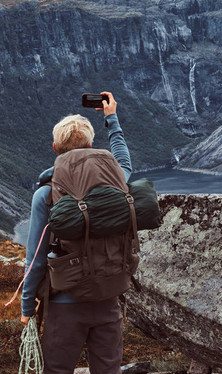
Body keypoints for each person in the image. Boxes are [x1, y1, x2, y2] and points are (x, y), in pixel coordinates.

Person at [20, 91, 132, 374]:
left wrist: (26, 307)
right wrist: (111, 118)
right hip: (108, 298)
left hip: (65, 302)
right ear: (91, 145)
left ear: (55, 148)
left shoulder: (47, 194)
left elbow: (36, 257)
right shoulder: (116, 182)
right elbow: (123, 160)